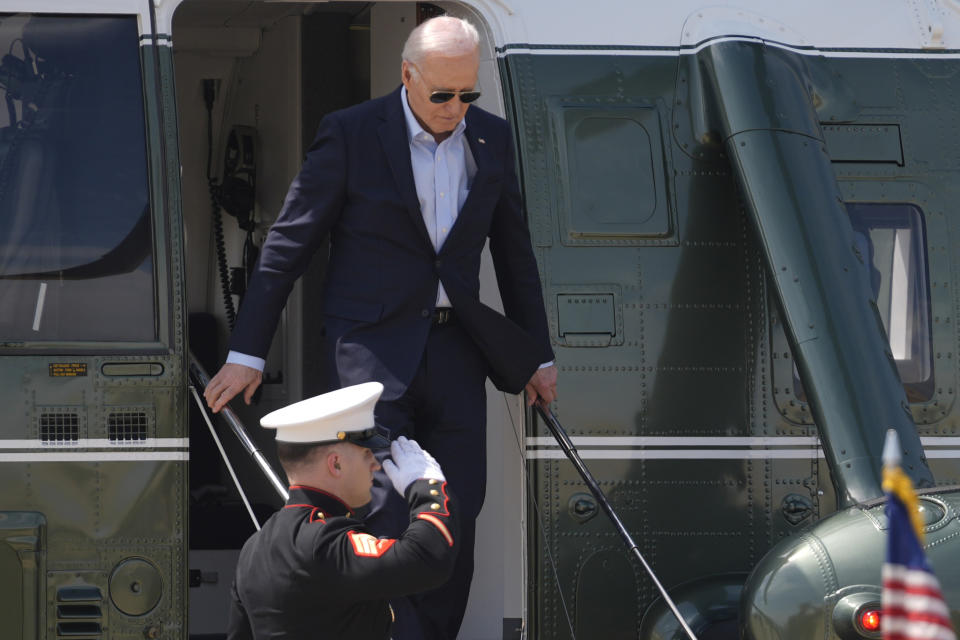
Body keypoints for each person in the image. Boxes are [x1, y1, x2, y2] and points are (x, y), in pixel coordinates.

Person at [205, 15, 557, 638]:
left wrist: (538, 356)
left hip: (457, 352)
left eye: (467, 95)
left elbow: (514, 253)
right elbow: (288, 245)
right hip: (368, 353)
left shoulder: (491, 140)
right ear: (407, 76)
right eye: (441, 94)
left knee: (458, 509)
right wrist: (247, 354)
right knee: (386, 507)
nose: (455, 109)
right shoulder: (351, 134)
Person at [228, 381, 459, 639]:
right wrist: (427, 487)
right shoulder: (324, 541)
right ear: (336, 464)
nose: (375, 464)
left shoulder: (254, 548)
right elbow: (426, 558)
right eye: (366, 454)